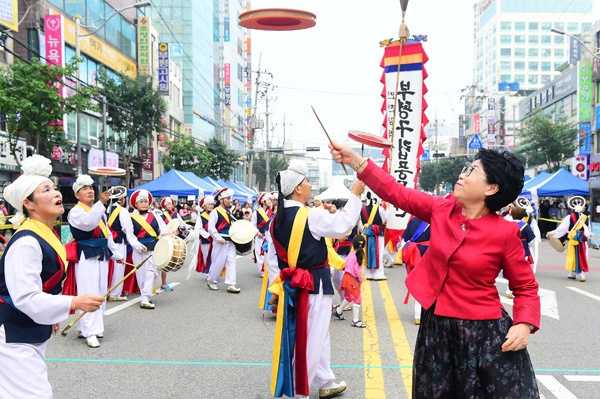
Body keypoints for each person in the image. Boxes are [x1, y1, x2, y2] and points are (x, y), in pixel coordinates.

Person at [331, 143, 540, 398]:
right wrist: (356, 162)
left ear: (491, 188)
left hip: (484, 337)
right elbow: (396, 192)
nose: (462, 175)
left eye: (472, 170)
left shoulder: (505, 233)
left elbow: (525, 286)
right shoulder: (442, 209)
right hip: (436, 331)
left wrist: (524, 324)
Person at [0, 155, 104, 398]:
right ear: (29, 203)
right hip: (13, 332)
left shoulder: (44, 234)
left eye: (55, 187)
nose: (57, 193)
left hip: (29, 329)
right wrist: (73, 303)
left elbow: (43, 289)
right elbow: (26, 297)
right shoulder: (26, 241)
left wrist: (51, 314)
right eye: (46, 189)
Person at [268, 160, 363, 399]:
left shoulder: (275, 220)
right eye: (307, 182)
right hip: (314, 285)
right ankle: (298, 392)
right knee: (310, 339)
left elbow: (272, 259)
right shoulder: (310, 215)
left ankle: (324, 378)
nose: (310, 186)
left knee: (316, 334)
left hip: (293, 284)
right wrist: (354, 194)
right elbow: (344, 226)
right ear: (298, 188)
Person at [66, 175, 122, 348]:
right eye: (85, 188)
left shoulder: (99, 211)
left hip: (102, 254)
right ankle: (89, 331)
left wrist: (116, 253)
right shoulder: (76, 212)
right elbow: (89, 224)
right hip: (86, 255)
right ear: (77, 194)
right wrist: (100, 204)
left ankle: (94, 328)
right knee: (88, 291)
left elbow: (106, 234)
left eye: (91, 188)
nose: (90, 191)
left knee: (100, 291)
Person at [129, 189, 167, 309]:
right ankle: (144, 296)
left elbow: (163, 229)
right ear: (136, 204)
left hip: (153, 249)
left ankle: (145, 297)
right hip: (139, 249)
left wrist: (163, 236)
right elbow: (130, 235)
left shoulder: (155, 215)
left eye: (146, 201)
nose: (145, 203)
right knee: (141, 274)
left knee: (152, 273)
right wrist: (137, 245)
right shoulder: (130, 217)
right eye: (141, 201)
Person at [207, 188, 241, 293]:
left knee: (231, 261)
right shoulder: (215, 212)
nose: (230, 200)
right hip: (220, 241)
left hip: (230, 241)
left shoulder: (228, 212)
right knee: (218, 262)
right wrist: (218, 238)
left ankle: (231, 284)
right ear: (221, 200)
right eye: (228, 198)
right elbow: (211, 228)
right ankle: (211, 280)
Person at [548, 197, 590, 282]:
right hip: (575, 240)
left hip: (580, 240)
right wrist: (553, 232)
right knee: (574, 256)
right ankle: (574, 272)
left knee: (579, 256)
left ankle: (577, 272)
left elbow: (586, 229)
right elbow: (562, 229)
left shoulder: (584, 217)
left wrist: (587, 235)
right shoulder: (570, 217)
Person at [399, 215, 430, 325]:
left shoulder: (413, 220)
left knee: (417, 283)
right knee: (428, 285)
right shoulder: (434, 220)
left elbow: (404, 239)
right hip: (428, 254)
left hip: (412, 255)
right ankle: (423, 314)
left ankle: (418, 314)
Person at [106, 193, 137, 302]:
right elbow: (127, 229)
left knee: (108, 268)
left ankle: (107, 291)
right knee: (118, 268)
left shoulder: (105, 209)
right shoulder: (122, 211)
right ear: (121, 199)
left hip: (107, 242)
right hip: (118, 242)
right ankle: (115, 293)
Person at [332, 234, 367, 328]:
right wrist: (361, 279)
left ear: (353, 244)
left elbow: (345, 265)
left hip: (346, 278)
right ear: (363, 245)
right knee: (357, 299)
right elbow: (358, 271)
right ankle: (355, 320)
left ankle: (339, 311)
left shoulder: (351, 255)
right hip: (353, 279)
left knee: (348, 297)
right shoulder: (360, 256)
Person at [360, 193, 387, 281]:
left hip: (367, 234)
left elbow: (361, 225)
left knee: (367, 253)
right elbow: (384, 220)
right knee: (378, 253)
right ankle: (378, 274)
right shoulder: (380, 208)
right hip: (378, 234)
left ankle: (368, 273)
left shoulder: (363, 209)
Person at [252, 193, 273, 276]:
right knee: (259, 253)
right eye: (268, 200)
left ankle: (268, 269)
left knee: (268, 253)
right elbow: (252, 224)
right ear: (263, 201)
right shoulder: (256, 212)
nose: (270, 201)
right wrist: (257, 233)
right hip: (260, 236)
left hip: (269, 237)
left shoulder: (271, 212)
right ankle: (262, 270)